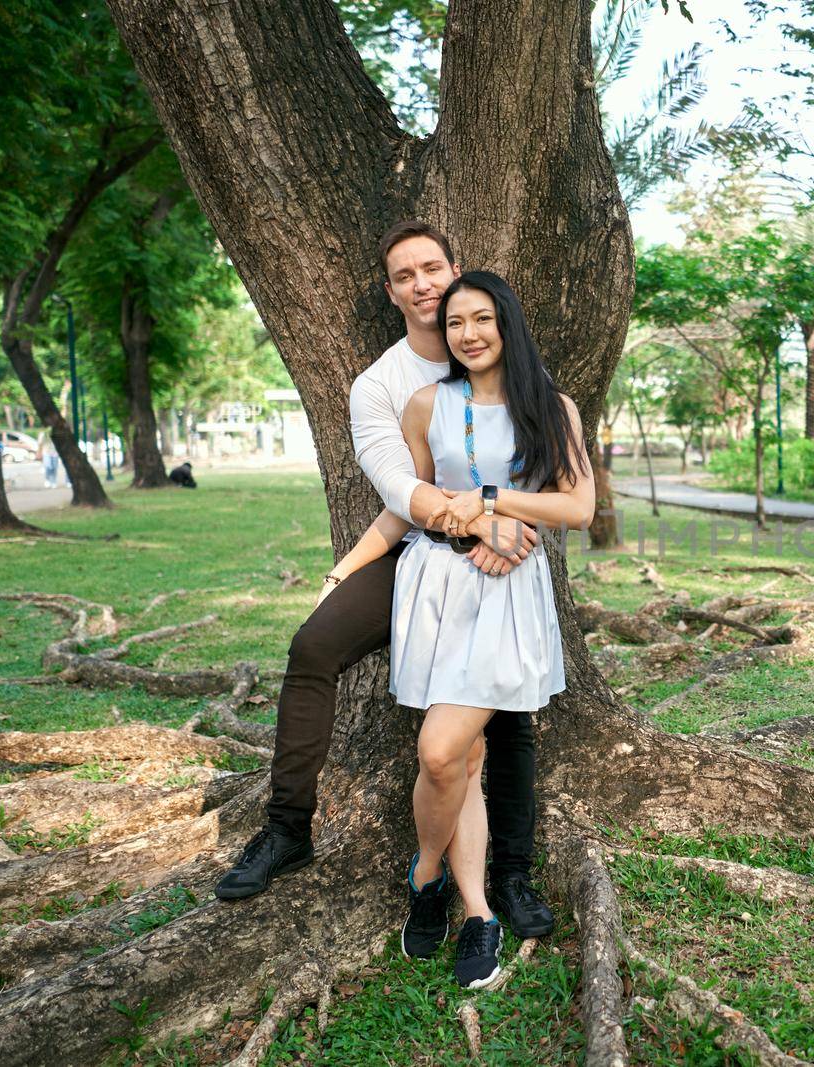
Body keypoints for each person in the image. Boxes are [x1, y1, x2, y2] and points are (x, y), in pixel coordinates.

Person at [212, 223, 556, 953]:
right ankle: (285, 829)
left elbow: (546, 475)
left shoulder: (510, 368)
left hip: (501, 558)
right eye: (406, 275)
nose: (424, 284)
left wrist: (512, 525)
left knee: (505, 709)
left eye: (434, 268)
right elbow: (401, 490)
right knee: (312, 645)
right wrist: (472, 528)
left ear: (458, 273)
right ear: (392, 291)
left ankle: (512, 874)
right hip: (419, 554)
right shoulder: (382, 384)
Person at [321, 269, 592, 986]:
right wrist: (347, 567)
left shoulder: (550, 407)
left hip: (506, 598)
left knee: (439, 751)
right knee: (462, 762)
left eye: (481, 320)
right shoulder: (424, 404)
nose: (467, 335)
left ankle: (425, 870)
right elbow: (404, 505)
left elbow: (581, 506)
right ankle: (474, 909)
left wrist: (497, 501)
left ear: (506, 322)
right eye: (454, 324)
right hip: (437, 591)